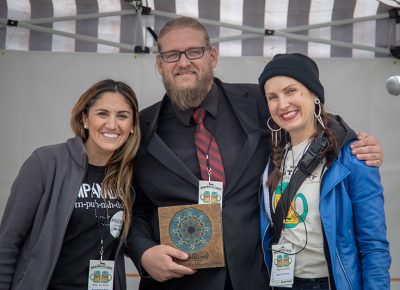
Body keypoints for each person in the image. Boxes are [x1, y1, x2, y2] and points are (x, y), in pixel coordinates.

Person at [126, 17, 383, 290]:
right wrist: (143, 253)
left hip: (256, 279)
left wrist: (353, 140)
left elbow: (309, 119)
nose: (183, 62)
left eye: (194, 51)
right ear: (159, 64)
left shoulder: (259, 103)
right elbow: (130, 205)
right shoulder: (140, 130)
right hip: (178, 283)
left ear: (212, 56)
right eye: (171, 55)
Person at [258, 53, 391, 289]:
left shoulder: (353, 156)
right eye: (273, 97)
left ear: (314, 94)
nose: (282, 104)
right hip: (281, 283)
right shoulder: (270, 158)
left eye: (291, 91)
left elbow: (374, 245)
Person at [0, 79, 141, 290]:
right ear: (84, 118)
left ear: (131, 126)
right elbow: (7, 242)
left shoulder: (129, 175)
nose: (112, 124)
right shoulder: (46, 162)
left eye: (122, 116)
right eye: (102, 113)